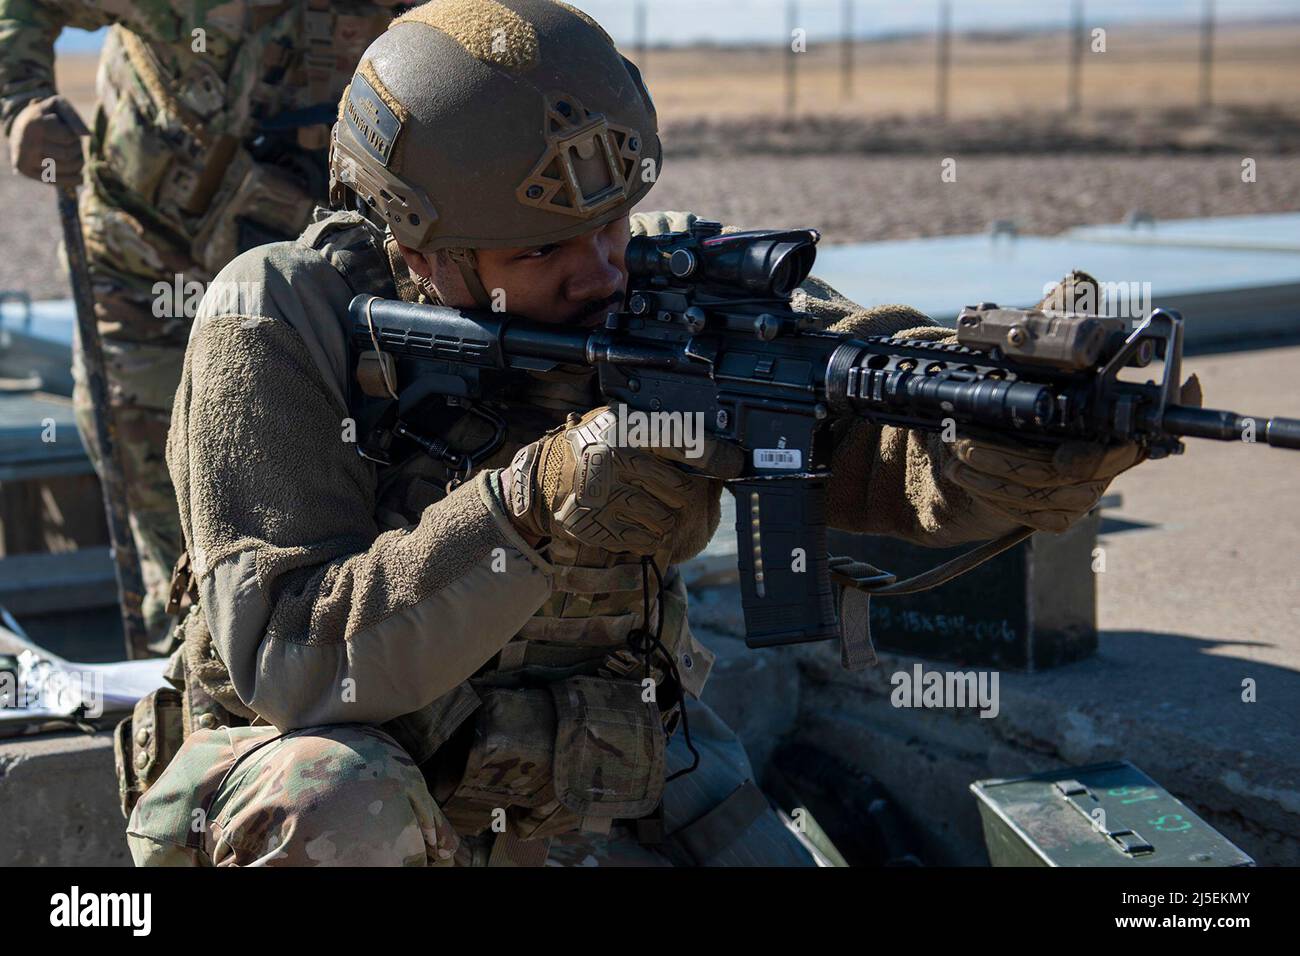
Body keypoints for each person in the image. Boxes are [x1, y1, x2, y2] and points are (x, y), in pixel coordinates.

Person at [118, 0, 1158, 867]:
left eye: (614, 223)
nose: (602, 271)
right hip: (340, 771)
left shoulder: (671, 297)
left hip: (597, 767)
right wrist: (531, 506)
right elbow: (293, 660)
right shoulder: (278, 317)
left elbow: (868, 422)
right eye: (543, 250)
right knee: (330, 804)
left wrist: (1006, 440)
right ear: (418, 243)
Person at [1, 0, 402, 650]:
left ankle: (277, 679)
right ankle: (182, 682)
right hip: (142, 269)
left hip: (305, 280)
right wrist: (21, 105)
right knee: (163, 506)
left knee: (318, 492)